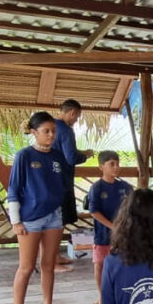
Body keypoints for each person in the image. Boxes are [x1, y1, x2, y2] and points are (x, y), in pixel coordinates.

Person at [8, 111, 69, 304]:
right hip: (30, 219)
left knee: (49, 265)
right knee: (26, 267)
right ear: (34, 132)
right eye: (46, 131)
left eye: (53, 131)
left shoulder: (57, 156)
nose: (51, 135)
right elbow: (14, 188)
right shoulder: (24, 155)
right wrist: (15, 221)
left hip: (54, 216)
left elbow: (60, 184)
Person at [86, 151, 132, 304]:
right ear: (101, 167)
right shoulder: (97, 188)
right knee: (99, 264)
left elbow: (133, 206)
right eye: (111, 164)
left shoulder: (125, 187)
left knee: (122, 263)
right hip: (103, 234)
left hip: (123, 236)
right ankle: (101, 294)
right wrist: (112, 226)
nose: (116, 167)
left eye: (117, 163)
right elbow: (94, 211)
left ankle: (121, 292)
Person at [53, 99, 94, 266]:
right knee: (58, 221)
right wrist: (84, 156)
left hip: (49, 181)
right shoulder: (66, 130)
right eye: (76, 118)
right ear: (72, 113)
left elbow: (63, 151)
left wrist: (81, 151)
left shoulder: (51, 128)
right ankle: (52, 259)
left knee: (53, 220)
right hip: (62, 181)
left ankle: (54, 255)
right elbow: (71, 158)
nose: (75, 121)